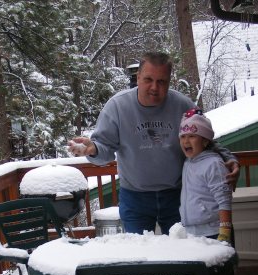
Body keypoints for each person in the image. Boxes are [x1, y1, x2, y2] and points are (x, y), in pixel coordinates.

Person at [68, 51, 240, 235]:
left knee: (182, 255)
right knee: (140, 257)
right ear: (138, 77)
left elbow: (206, 141)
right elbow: (103, 150)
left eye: (162, 81)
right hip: (135, 197)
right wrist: (92, 149)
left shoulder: (183, 106)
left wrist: (229, 159)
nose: (154, 87)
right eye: (148, 79)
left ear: (169, 81)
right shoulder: (118, 107)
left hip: (179, 194)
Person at [178, 108, 241, 275]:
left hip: (216, 232)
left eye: (192, 136)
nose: (186, 141)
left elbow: (224, 197)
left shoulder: (213, 163)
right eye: (183, 136)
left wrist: (224, 231)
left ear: (205, 141)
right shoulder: (190, 162)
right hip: (196, 233)